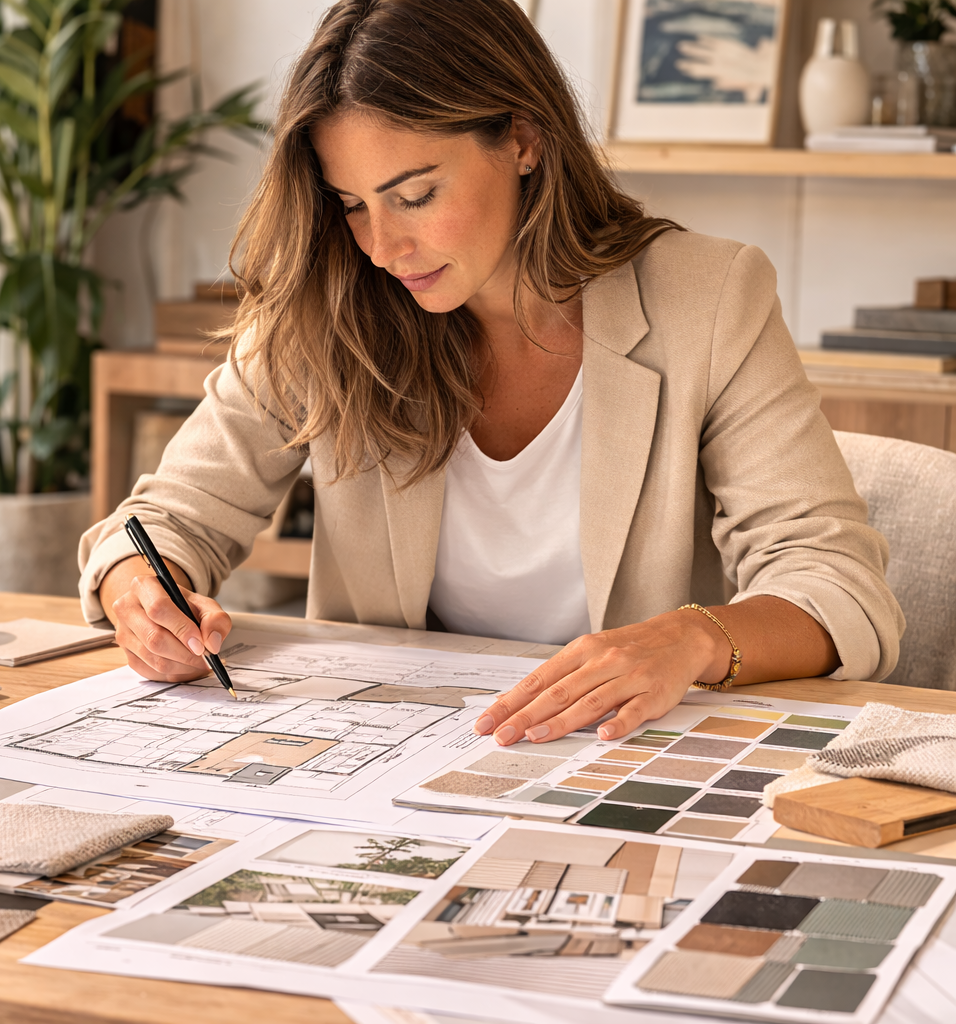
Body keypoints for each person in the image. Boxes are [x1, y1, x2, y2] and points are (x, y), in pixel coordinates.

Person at [77, 0, 902, 746]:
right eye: (352, 204)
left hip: (627, 751)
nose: (381, 247)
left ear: (523, 138)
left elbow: (836, 586)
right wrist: (141, 592)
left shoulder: (710, 299)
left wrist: (689, 638)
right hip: (390, 759)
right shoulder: (326, 307)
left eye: (415, 193)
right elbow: (163, 522)